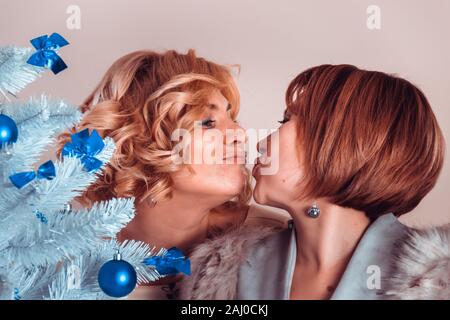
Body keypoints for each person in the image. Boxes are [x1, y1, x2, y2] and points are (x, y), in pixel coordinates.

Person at [181, 64, 449, 300]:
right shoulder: (221, 275)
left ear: (340, 143)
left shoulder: (437, 280)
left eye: (286, 120)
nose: (260, 143)